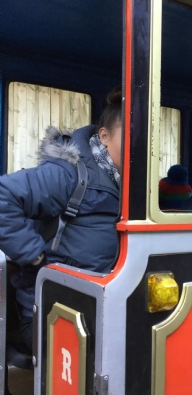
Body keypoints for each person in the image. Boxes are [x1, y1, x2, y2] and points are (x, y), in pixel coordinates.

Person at [0, 85, 122, 354]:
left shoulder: (129, 183)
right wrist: (34, 256)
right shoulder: (69, 173)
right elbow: (3, 198)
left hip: (100, 305)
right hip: (52, 311)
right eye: (130, 136)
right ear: (104, 136)